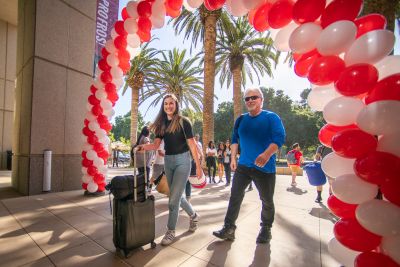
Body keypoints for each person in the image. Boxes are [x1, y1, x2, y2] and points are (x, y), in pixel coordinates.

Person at [212, 88, 285, 244]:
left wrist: (266, 154)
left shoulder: (271, 118)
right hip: (244, 166)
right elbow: (234, 140)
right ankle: (229, 228)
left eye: (254, 97)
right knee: (235, 195)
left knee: (266, 200)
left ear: (261, 99)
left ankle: (266, 228)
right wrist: (233, 158)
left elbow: (279, 139)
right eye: (247, 98)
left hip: (265, 168)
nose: (250, 100)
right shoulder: (241, 120)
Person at [136, 94, 203, 246]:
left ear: (176, 104)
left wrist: (198, 167)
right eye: (166, 104)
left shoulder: (183, 121)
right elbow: (154, 145)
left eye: (171, 103)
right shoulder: (161, 124)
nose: (168, 106)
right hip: (168, 160)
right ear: (163, 106)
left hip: (183, 161)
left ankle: (170, 231)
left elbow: (192, 145)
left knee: (173, 200)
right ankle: (193, 215)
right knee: (176, 195)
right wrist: (141, 147)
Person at [185, 134, 203, 202]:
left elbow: (197, 148)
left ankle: (187, 198)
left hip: (189, 161)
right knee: (187, 180)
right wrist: (201, 155)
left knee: (187, 180)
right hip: (188, 160)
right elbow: (197, 148)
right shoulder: (190, 139)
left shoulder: (190, 139)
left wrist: (200, 156)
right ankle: (187, 198)